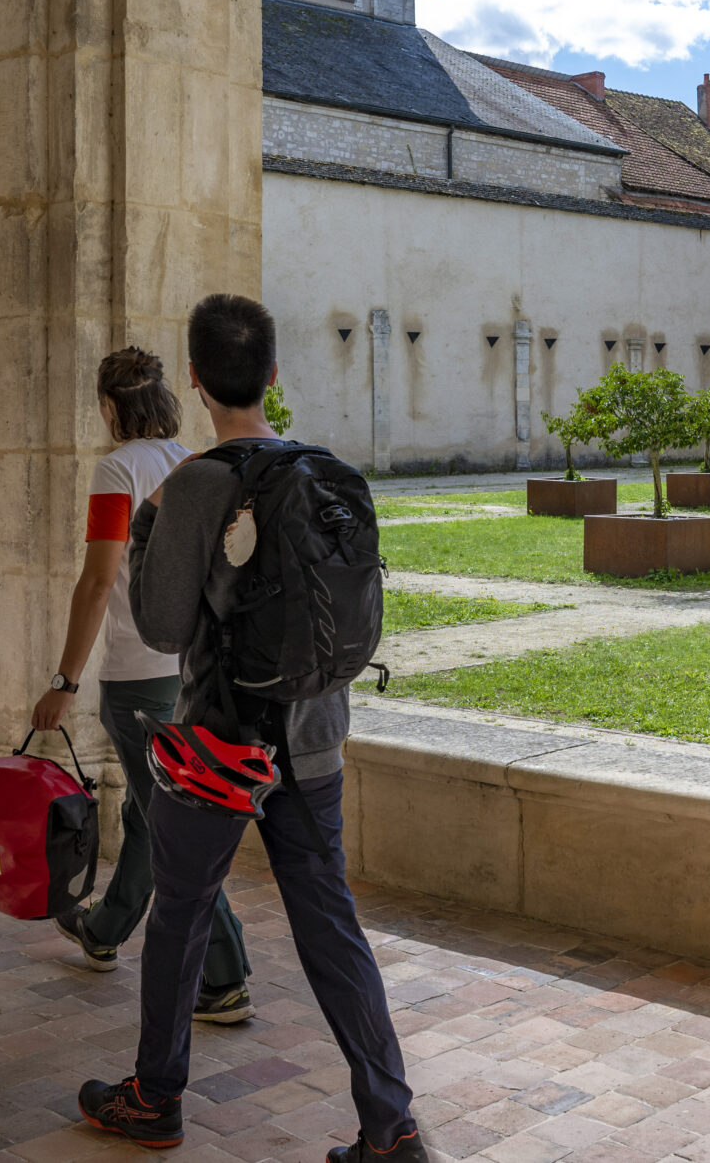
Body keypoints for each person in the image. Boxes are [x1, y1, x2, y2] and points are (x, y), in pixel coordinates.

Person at [79, 295, 425, 1163]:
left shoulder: (198, 482)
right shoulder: (324, 468)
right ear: (273, 373)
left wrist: (154, 521)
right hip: (314, 734)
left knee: (181, 911)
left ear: (195, 380)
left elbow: (162, 626)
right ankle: (391, 1124)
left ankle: (155, 1096)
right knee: (329, 919)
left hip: (221, 743)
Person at [32, 348, 252, 1018]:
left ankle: (223, 976)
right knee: (148, 807)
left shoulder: (116, 470)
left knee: (171, 823)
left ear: (109, 406)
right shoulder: (193, 463)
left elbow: (99, 581)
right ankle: (104, 929)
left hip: (136, 677)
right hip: (192, 671)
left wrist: (65, 679)